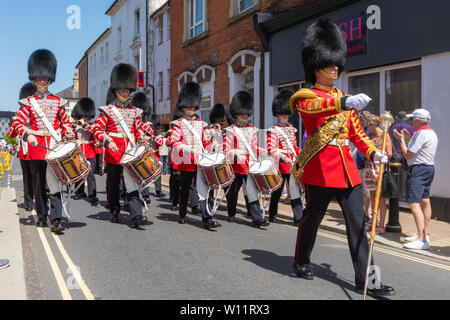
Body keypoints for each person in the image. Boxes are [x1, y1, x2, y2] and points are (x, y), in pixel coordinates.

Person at [289, 19, 395, 297]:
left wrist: (374, 153)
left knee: (360, 227)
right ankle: (301, 260)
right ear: (316, 66)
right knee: (312, 219)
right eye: (328, 64)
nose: (335, 67)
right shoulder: (306, 95)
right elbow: (314, 109)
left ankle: (368, 281)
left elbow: (357, 134)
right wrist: (343, 103)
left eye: (337, 63)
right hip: (320, 171)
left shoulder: (344, 97)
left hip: (347, 172)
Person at [12, 49, 75, 233]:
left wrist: (69, 133)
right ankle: (41, 215)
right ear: (34, 79)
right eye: (39, 78)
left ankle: (56, 219)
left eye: (45, 78)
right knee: (39, 185)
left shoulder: (58, 102)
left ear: (49, 79)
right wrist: (27, 134)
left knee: (55, 184)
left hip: (54, 147)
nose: (42, 81)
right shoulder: (28, 103)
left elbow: (65, 123)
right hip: (37, 148)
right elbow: (18, 123)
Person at [92, 63, 148, 229]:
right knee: (114, 184)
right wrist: (108, 142)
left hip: (129, 152)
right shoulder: (107, 111)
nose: (125, 92)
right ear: (116, 91)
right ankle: (114, 211)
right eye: (122, 90)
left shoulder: (135, 112)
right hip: (114, 153)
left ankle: (136, 215)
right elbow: (97, 129)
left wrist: (142, 136)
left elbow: (137, 130)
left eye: (128, 90)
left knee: (132, 184)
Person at [168, 82, 219, 230]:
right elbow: (174, 142)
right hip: (186, 161)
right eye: (188, 106)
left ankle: (206, 217)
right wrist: (189, 149)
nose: (191, 108)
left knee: (204, 189)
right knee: (185, 189)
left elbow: (206, 142)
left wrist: (214, 145)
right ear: (183, 106)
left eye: (193, 106)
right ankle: (182, 214)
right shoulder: (178, 124)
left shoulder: (202, 124)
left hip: (200, 162)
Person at [224, 91, 270, 228]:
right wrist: (237, 153)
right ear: (236, 113)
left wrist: (262, 151)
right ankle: (231, 213)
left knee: (251, 191)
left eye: (246, 113)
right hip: (236, 166)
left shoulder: (254, 129)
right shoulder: (231, 130)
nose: (245, 116)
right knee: (233, 192)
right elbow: (226, 149)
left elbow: (257, 147)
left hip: (250, 166)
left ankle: (257, 218)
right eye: (242, 113)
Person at [393, 108, 438, 250]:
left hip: (418, 170)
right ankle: (424, 233)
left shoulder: (420, 133)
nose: (410, 122)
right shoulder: (431, 132)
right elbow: (415, 150)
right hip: (428, 168)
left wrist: (400, 140)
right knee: (425, 200)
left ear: (418, 120)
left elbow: (407, 155)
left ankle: (422, 239)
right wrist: (406, 138)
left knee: (413, 203)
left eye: (412, 119)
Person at [267, 89, 304, 225]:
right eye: (283, 115)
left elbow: (293, 146)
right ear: (277, 115)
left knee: (295, 191)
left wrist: (300, 151)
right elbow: (272, 149)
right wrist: (284, 158)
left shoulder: (291, 129)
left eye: (287, 115)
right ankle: (272, 214)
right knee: (277, 191)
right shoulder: (273, 130)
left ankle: (298, 217)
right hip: (280, 164)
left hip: (292, 163)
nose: (286, 117)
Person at [8, 82, 37, 212]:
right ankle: (31, 201)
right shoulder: (22, 115)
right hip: (28, 152)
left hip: (34, 150)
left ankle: (34, 200)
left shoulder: (33, 115)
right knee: (31, 177)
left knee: (34, 177)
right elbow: (11, 135)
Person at [71, 97, 99, 205]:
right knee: (79, 172)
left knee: (90, 174)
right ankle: (79, 192)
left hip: (90, 152)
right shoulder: (74, 126)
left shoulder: (92, 125)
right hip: (78, 152)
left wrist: (84, 124)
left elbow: (94, 132)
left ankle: (92, 195)